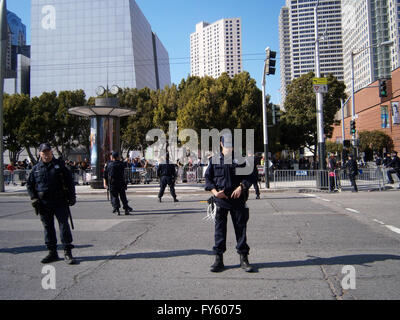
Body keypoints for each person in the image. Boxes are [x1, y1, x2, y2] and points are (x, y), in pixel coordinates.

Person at [205, 134, 254, 273]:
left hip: (237, 200)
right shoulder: (214, 160)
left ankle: (244, 259)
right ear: (221, 143)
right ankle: (218, 260)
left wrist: (241, 187)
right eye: (226, 143)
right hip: (220, 200)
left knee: (241, 230)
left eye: (231, 143)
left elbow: (249, 176)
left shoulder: (240, 159)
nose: (228, 145)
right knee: (219, 231)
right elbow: (208, 179)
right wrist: (214, 192)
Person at [26, 143, 77, 264]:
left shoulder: (59, 166)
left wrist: (72, 196)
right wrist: (33, 198)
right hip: (43, 203)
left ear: (51, 152)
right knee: (48, 227)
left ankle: (67, 252)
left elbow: (69, 181)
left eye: (48, 152)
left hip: (60, 201)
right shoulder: (36, 169)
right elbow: (29, 185)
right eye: (44, 153)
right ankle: (52, 252)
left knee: (63, 225)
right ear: (40, 153)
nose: (46, 155)